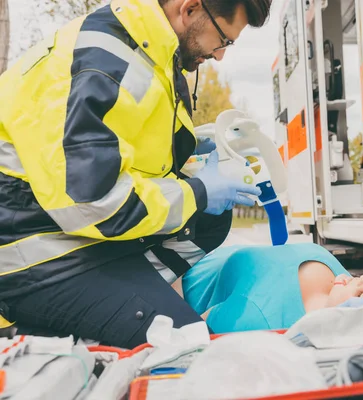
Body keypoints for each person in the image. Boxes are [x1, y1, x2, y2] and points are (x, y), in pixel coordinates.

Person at [0, 0, 271, 349]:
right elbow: (92, 202)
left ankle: (126, 299)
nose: (219, 56)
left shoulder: (148, 52)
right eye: (222, 40)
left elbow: (121, 158)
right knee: (182, 343)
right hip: (30, 254)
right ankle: (37, 329)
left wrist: (192, 156)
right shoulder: (108, 63)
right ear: (188, 9)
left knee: (209, 219)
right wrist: (198, 191)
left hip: (66, 229)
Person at [182, 243, 363, 333]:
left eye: (360, 295)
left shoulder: (256, 319)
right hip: (217, 250)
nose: (362, 279)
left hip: (187, 268)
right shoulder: (337, 277)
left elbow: (190, 334)